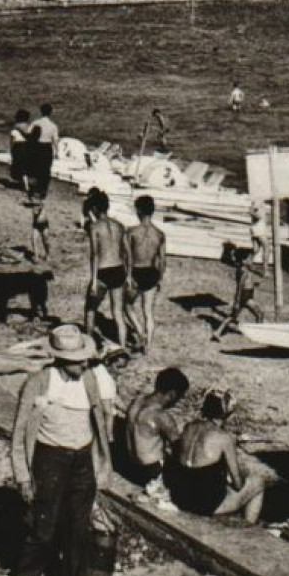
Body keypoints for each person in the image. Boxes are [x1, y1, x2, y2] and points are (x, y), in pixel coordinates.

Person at [10, 324, 116, 576]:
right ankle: (26, 575)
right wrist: (22, 475)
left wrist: (102, 465)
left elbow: (100, 422)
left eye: (85, 358)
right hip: (49, 458)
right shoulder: (40, 382)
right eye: (77, 360)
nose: (84, 364)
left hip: (81, 459)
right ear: (58, 359)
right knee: (44, 524)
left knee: (79, 529)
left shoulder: (90, 379)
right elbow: (19, 432)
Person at [165, 390, 270, 523]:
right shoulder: (224, 438)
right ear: (227, 413)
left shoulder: (189, 427)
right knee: (257, 482)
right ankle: (247, 530)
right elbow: (238, 485)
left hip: (179, 496)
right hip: (203, 505)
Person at [125, 368, 189, 492]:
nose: (177, 403)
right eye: (179, 398)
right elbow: (179, 451)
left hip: (130, 465)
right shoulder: (161, 416)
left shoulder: (136, 401)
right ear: (172, 394)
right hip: (149, 472)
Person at [82, 189, 129, 346]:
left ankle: (88, 344)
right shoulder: (120, 226)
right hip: (118, 269)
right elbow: (125, 252)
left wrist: (94, 281)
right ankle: (122, 347)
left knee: (90, 309)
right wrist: (128, 275)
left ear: (95, 208)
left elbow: (95, 255)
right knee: (118, 313)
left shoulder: (95, 227)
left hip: (103, 271)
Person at [126, 195, 166, 353]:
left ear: (138, 210)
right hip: (152, 272)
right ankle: (148, 345)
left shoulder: (132, 232)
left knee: (127, 305)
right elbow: (162, 260)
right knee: (148, 311)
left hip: (136, 271)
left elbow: (128, 258)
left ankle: (139, 332)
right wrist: (160, 278)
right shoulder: (160, 234)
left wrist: (128, 276)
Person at [212, 245, 265, 341]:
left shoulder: (244, 270)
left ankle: (218, 332)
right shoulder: (244, 272)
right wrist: (237, 301)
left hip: (247, 294)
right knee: (259, 314)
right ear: (244, 261)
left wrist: (254, 284)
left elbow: (247, 283)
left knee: (233, 316)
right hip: (244, 296)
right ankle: (259, 334)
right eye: (250, 259)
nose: (252, 261)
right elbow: (240, 287)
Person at [27, 103, 59, 200]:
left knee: (35, 168)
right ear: (51, 113)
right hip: (47, 147)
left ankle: (34, 190)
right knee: (45, 170)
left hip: (37, 146)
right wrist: (57, 152)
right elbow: (55, 140)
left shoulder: (36, 123)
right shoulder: (53, 126)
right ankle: (42, 191)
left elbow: (28, 133)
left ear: (41, 112)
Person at [8, 109, 33, 190]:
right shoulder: (29, 127)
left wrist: (11, 151)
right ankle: (26, 184)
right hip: (26, 147)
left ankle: (23, 184)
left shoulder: (15, 127)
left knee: (18, 165)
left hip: (17, 147)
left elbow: (12, 140)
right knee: (25, 166)